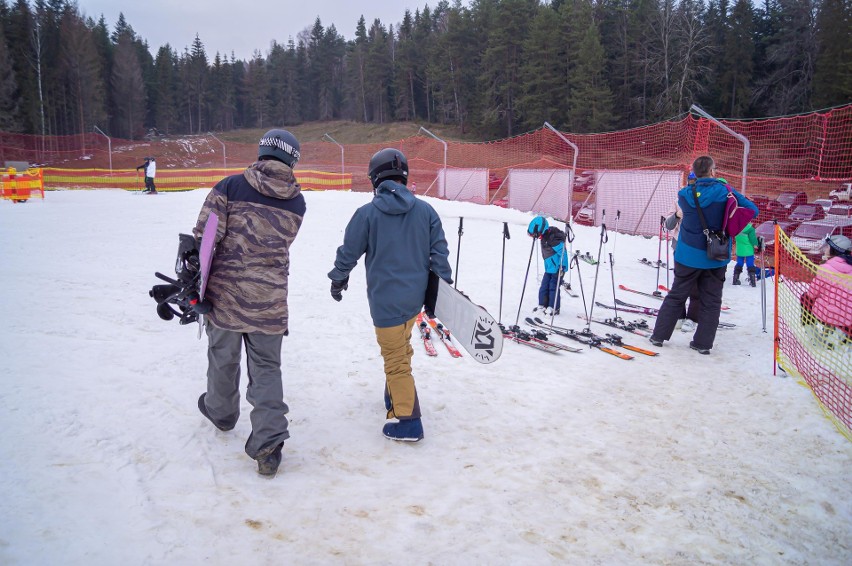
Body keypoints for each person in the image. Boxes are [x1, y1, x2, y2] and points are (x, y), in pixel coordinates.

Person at [194, 129, 306, 477]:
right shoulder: (297, 202)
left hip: (225, 297)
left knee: (223, 359)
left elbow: (204, 237)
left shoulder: (229, 187)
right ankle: (269, 445)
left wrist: (197, 287)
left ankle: (222, 414)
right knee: (267, 371)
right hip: (270, 301)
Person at [327, 148, 452, 442]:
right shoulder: (426, 211)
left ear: (375, 178)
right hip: (413, 302)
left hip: (385, 303)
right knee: (401, 347)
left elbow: (348, 253)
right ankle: (395, 395)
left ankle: (408, 421)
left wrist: (338, 279)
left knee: (395, 360)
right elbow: (440, 254)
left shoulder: (367, 214)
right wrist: (442, 290)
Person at [649, 155, 758, 354]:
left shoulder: (684, 194)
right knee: (712, 300)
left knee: (676, 295)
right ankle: (703, 343)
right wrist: (730, 228)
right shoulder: (725, 192)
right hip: (716, 255)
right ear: (713, 171)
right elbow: (752, 210)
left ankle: (658, 336)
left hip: (687, 254)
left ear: (694, 173)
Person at [800, 235, 852, 343]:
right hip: (849, 316)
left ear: (835, 250)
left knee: (805, 299)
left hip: (829, 314)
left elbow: (812, 293)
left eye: (827, 247)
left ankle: (811, 332)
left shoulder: (825, 269)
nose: (825, 249)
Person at [664, 195, 701, 333]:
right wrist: (677, 215)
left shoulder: (706, 199)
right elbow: (668, 224)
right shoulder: (679, 200)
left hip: (698, 246)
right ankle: (679, 316)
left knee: (696, 284)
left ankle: (692, 318)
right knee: (680, 282)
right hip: (680, 245)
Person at [527, 216, 569, 316]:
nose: (534, 237)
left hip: (558, 269)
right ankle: (542, 305)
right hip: (549, 268)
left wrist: (563, 267)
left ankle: (554, 307)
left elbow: (563, 253)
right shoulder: (545, 237)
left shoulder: (553, 239)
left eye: (534, 235)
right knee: (544, 287)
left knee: (553, 288)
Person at [732, 222, 760, 286]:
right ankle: (752, 281)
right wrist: (756, 244)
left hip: (739, 249)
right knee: (750, 264)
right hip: (748, 249)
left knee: (739, 263)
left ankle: (735, 279)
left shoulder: (736, 227)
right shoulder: (750, 229)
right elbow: (752, 239)